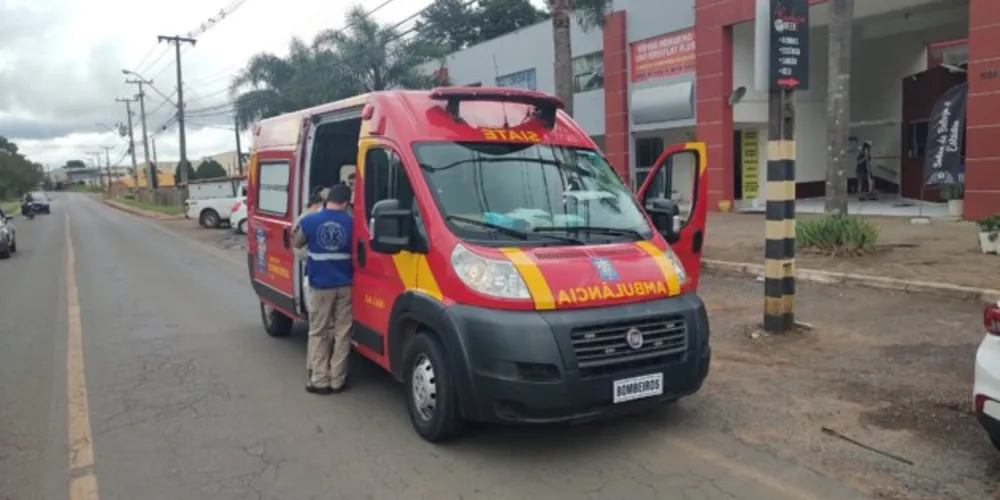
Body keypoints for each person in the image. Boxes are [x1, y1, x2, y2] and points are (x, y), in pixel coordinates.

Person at [292, 183, 354, 395]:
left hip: (320, 286)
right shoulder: (352, 223)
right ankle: (337, 380)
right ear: (345, 203)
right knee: (342, 332)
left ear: (328, 200)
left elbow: (296, 243)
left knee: (319, 332)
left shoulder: (309, 221)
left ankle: (319, 380)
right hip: (345, 286)